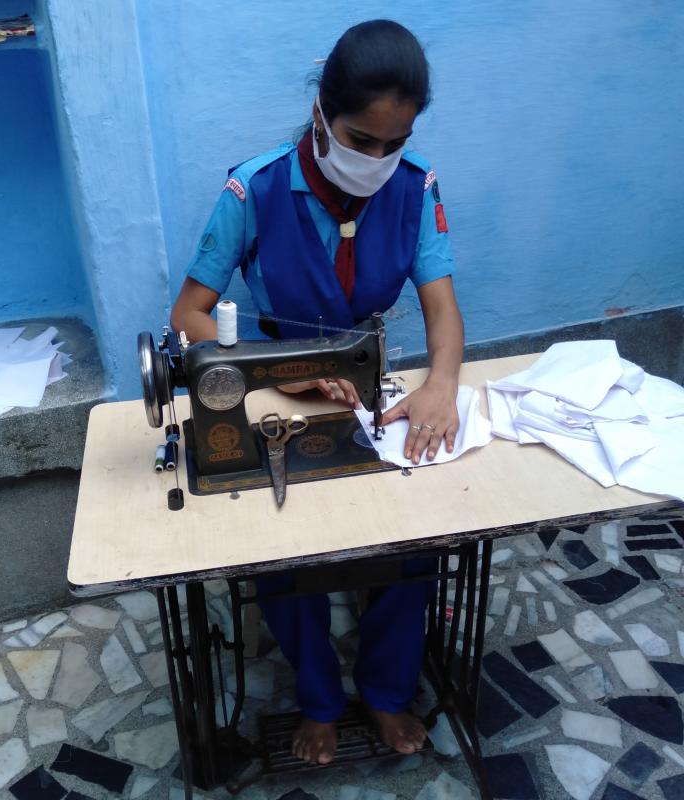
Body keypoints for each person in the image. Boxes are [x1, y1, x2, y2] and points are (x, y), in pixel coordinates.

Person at [171, 19, 464, 766]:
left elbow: (441, 309)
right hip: (278, 386)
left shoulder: (415, 187)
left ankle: (388, 690)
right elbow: (189, 315)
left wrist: (442, 384)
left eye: (394, 143)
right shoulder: (254, 187)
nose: (377, 159)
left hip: (364, 388)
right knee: (280, 549)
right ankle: (320, 700)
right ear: (320, 115)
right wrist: (284, 372)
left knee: (415, 538)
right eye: (361, 140)